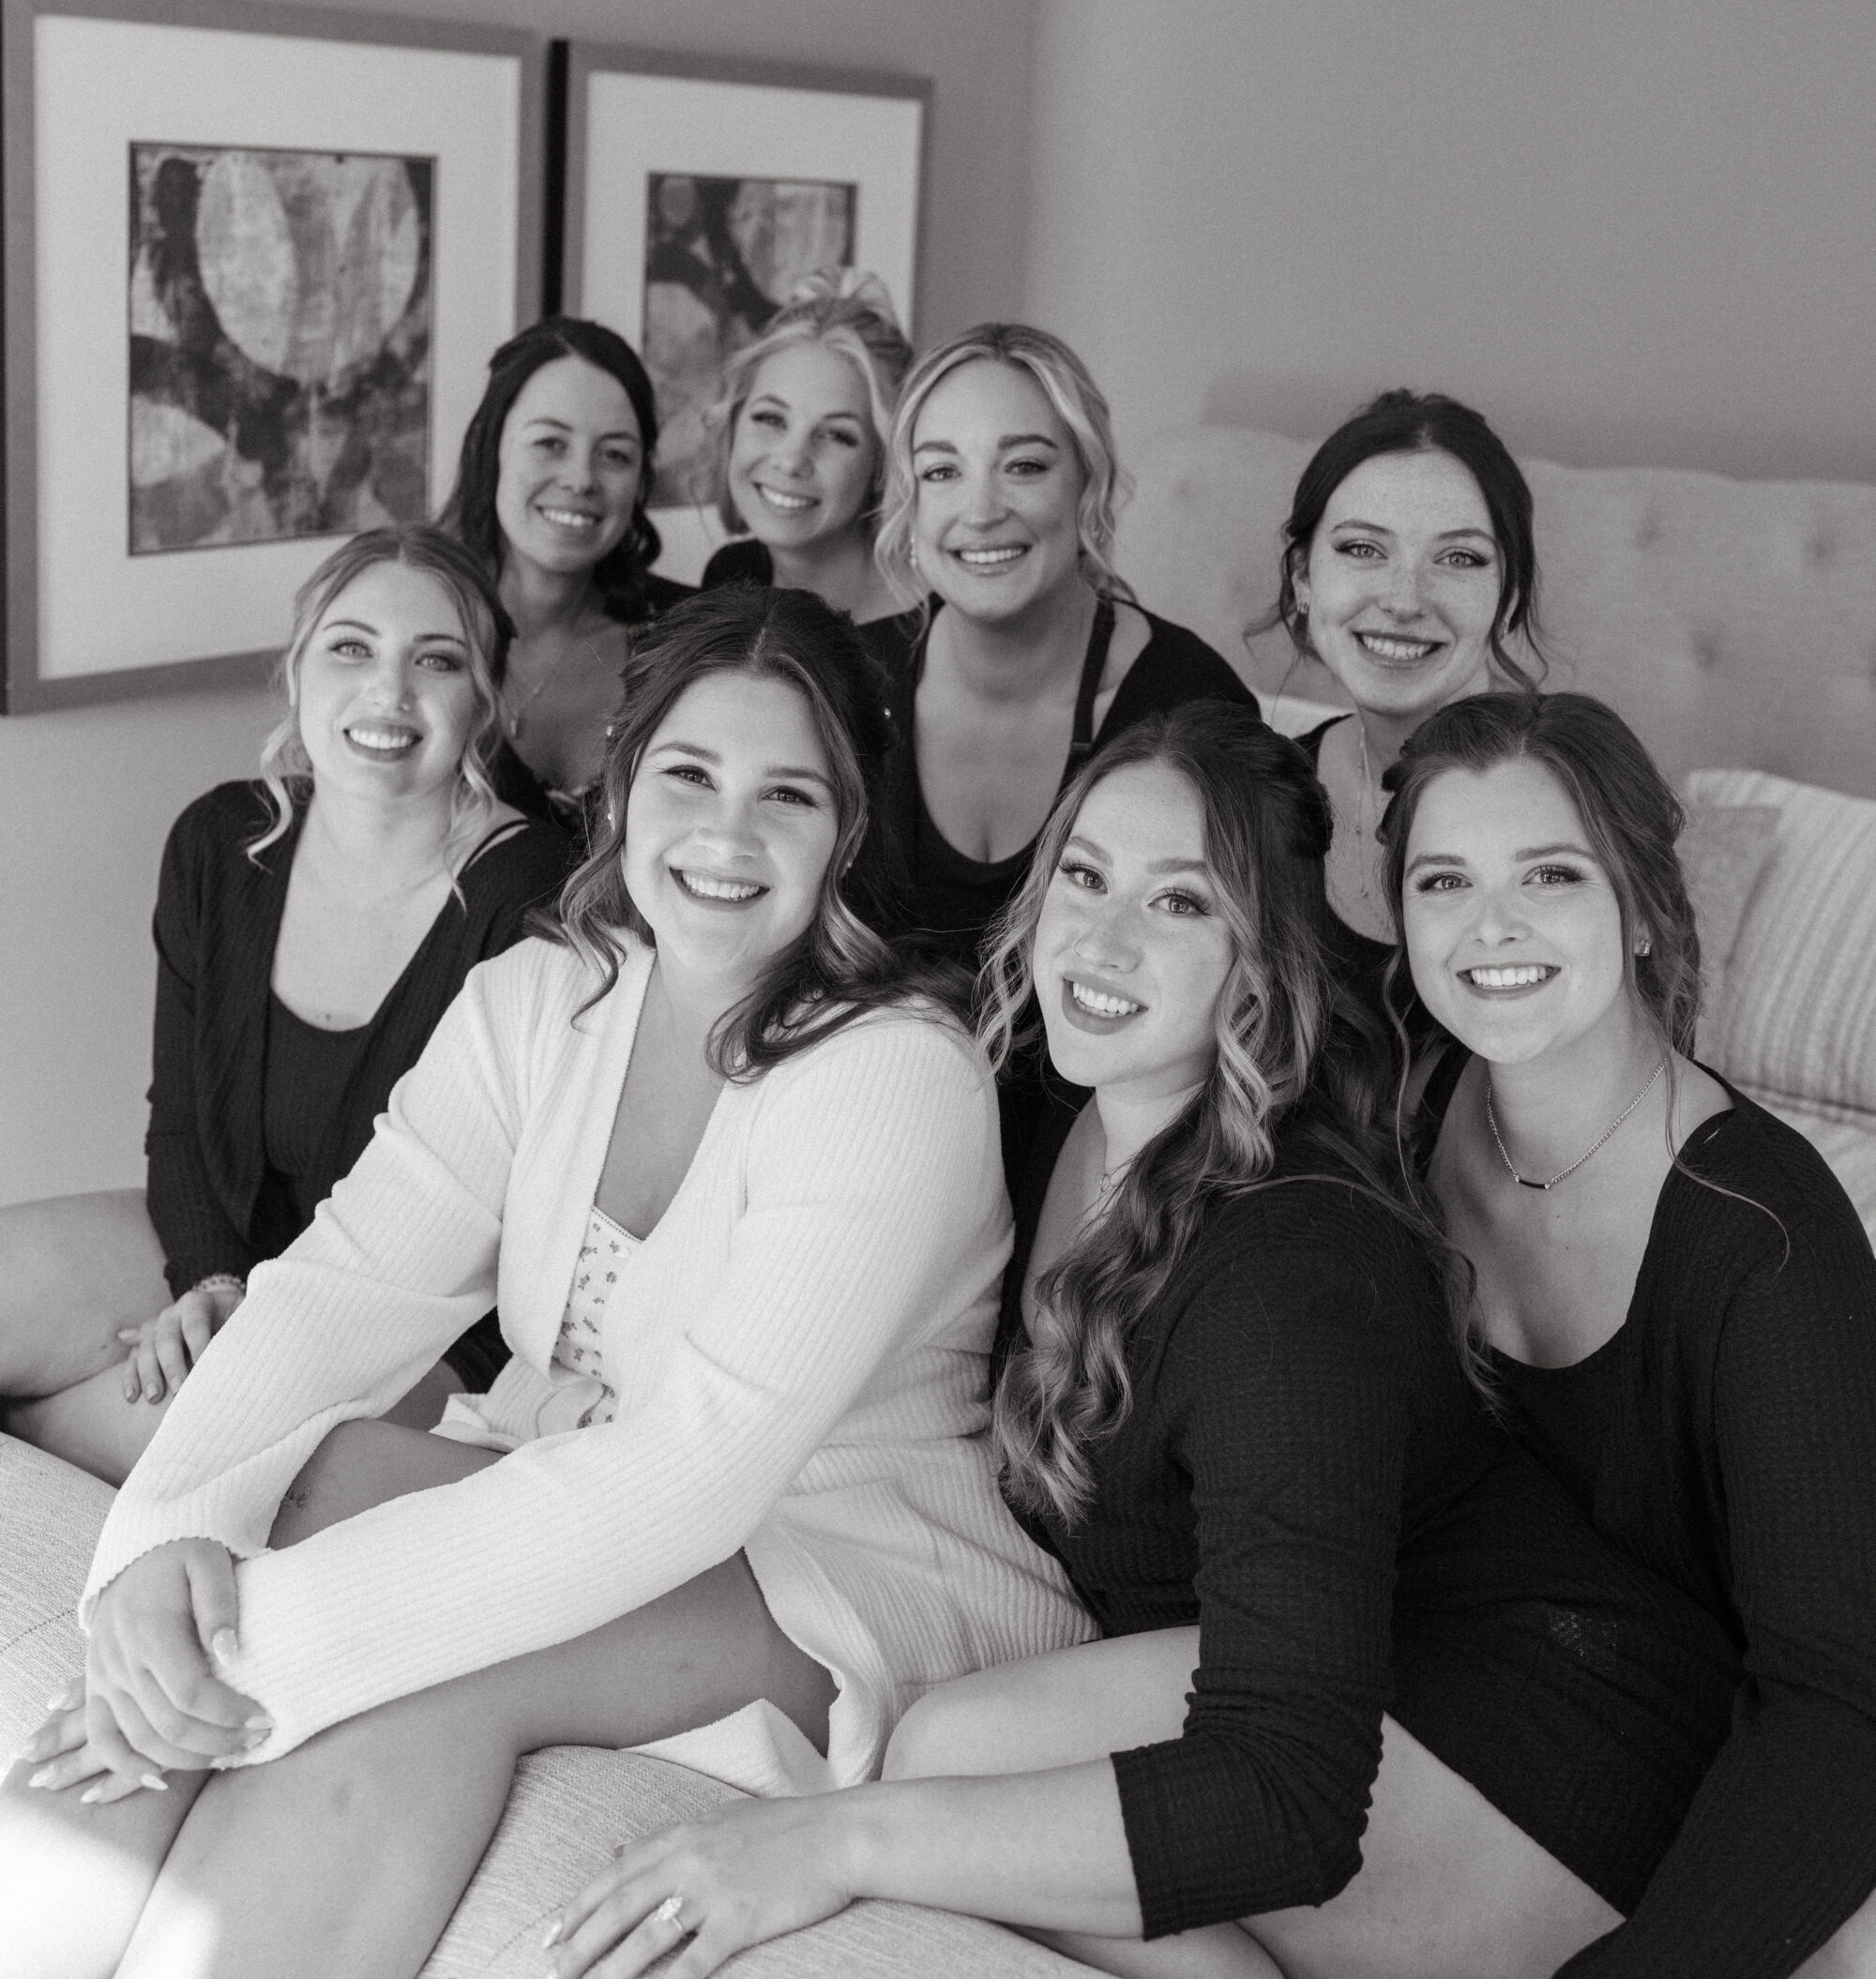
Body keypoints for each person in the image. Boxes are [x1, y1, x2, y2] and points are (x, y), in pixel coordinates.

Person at [531, 702, 1746, 1979]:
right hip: (1322, 1673)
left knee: (954, 1754)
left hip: (1546, 1756)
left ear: (1259, 961)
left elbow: (1290, 1789)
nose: (1102, 941)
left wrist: (834, 1846)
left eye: (1180, 905)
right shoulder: (1065, 1111)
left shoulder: (1294, 1268)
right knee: (952, 1742)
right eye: (1085, 878)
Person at [8, 590, 1086, 1979]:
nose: (726, 836)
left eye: (790, 797)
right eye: (690, 775)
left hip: (831, 1556)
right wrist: (151, 1557)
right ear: (622, 780)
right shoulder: (542, 998)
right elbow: (341, 1288)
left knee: (411, 1679)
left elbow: (696, 1474)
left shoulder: (892, 1074)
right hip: (580, 1472)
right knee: (262, 1515)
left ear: (849, 832)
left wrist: (256, 1657)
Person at [1393, 689, 1876, 1978]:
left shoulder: (1764, 1237)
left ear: (1648, 908)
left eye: (1550, 875)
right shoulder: (1402, 1108)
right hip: (1484, 1694)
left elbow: (1841, 1706)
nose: (1489, 925)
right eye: (1443, 881)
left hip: (1721, 1769)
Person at [0, 527, 572, 1489]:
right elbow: (181, 1119)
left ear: (485, 702)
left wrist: (258, 1328)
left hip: (420, 1312)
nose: (387, 694)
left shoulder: (532, 895)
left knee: (184, 1437)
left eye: (435, 661)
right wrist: (211, 1283)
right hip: (229, 1237)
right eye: (350, 647)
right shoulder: (222, 841)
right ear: (297, 670)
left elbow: (489, 1232)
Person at [858, 325, 1254, 1177]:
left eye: (1025, 465)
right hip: (863, 1143)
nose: (981, 508)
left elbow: (1236, 998)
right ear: (910, 504)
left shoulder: (1191, 706)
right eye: (942, 471)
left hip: (1102, 1172)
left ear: (1088, 483)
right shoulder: (848, 683)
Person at [1253, 388, 1541, 1028]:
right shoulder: (1263, 794)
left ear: (1511, 597)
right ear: (1303, 577)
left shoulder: (1577, 804)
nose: (1405, 599)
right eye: (1362, 549)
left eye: (1458, 558)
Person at [439, 316, 690, 820]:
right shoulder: (415, 621)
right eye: (550, 443)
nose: (580, 479)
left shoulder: (689, 638)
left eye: (614, 455)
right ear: (491, 450)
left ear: (640, 480)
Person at [698, 269, 910, 620]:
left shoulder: (936, 628)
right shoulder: (731, 577)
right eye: (771, 419)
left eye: (836, 435)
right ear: (733, 423)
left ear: (882, 465)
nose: (791, 460)